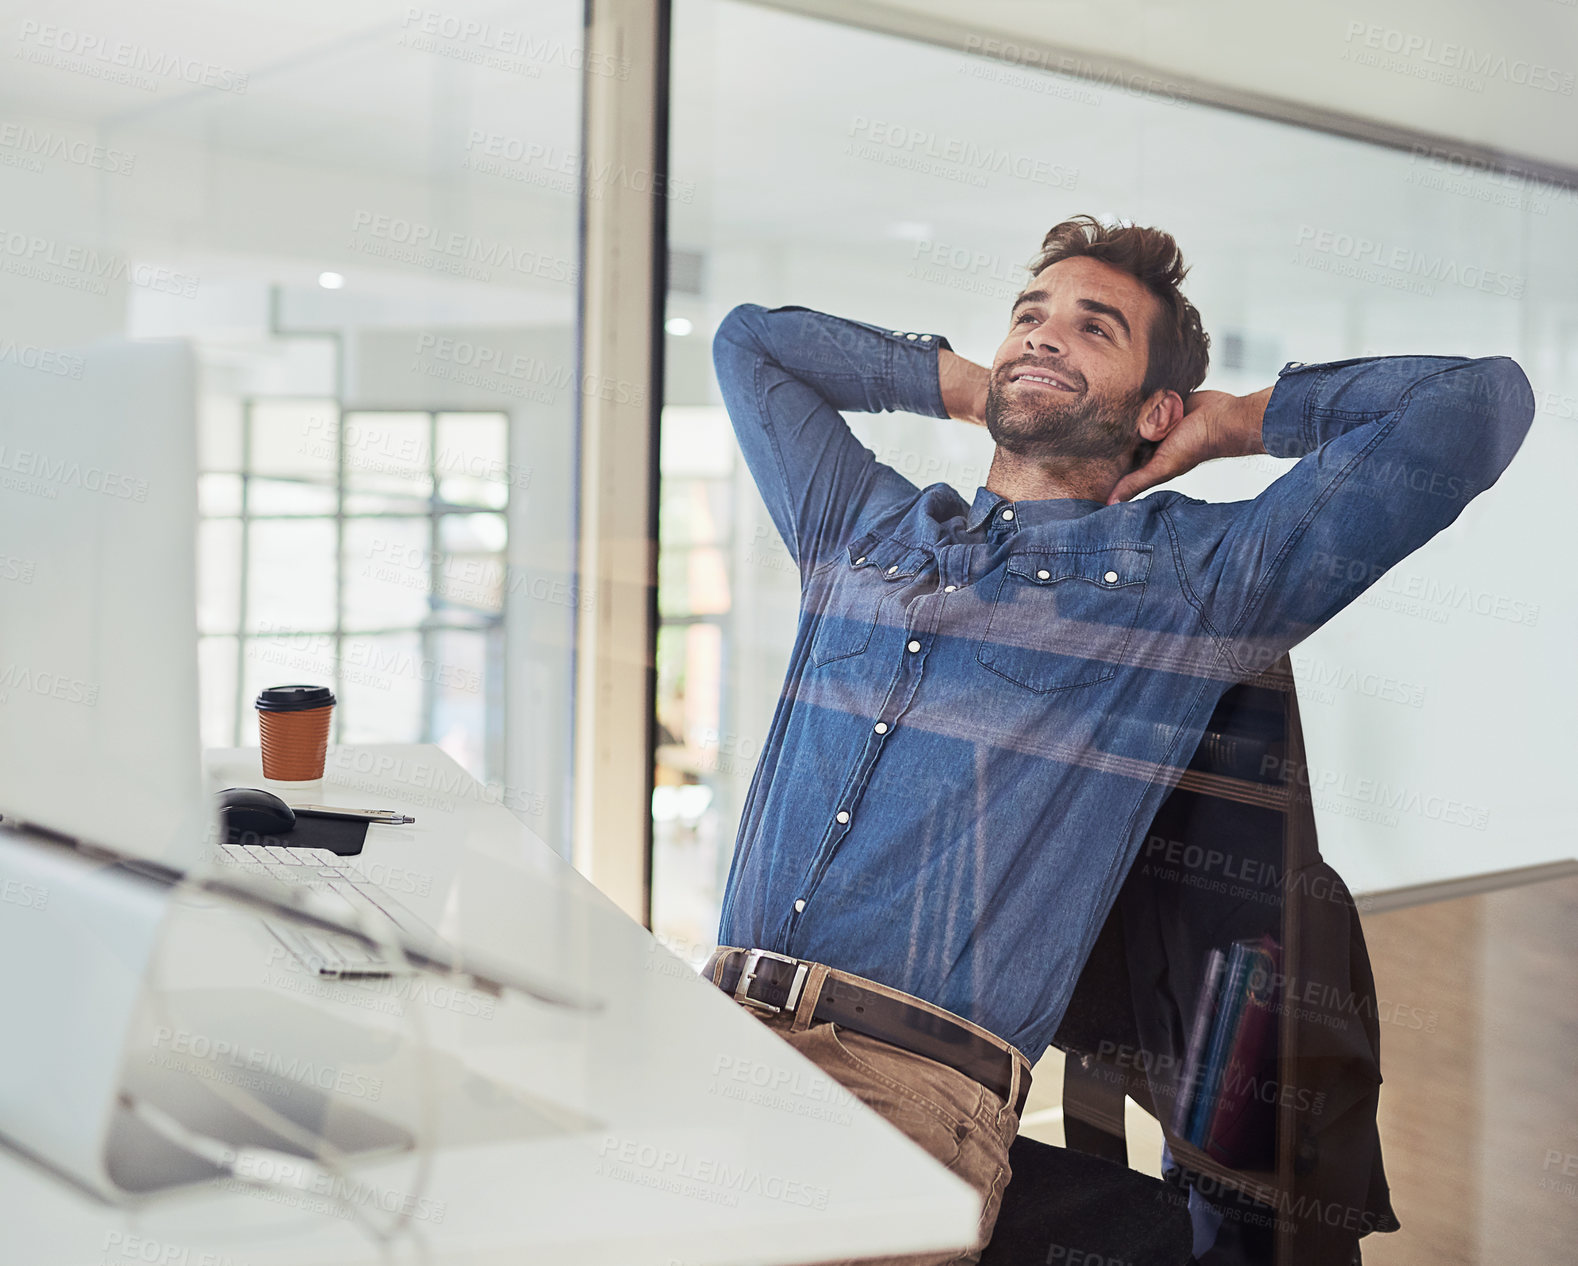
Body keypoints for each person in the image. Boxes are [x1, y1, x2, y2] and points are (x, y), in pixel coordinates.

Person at [702, 214, 1534, 1265]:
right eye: (1028, 319)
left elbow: (1475, 406)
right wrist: (974, 384)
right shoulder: (860, 527)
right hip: (713, 1031)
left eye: (1094, 330)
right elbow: (749, 344)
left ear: (1155, 409)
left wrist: (1238, 421)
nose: (1044, 337)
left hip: (905, 1098)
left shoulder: (1192, 584)